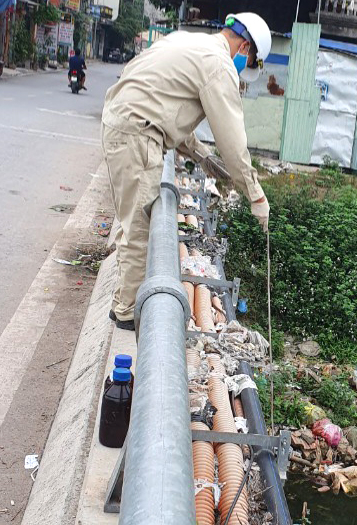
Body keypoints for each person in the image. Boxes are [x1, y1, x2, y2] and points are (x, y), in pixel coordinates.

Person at [101, 12, 271, 331]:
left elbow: (167, 106)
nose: (241, 69)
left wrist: (203, 157)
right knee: (140, 228)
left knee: (131, 221)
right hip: (138, 135)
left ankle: (121, 300)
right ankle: (127, 313)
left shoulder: (189, 42)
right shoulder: (219, 65)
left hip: (120, 124)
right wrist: (256, 195)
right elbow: (233, 143)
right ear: (245, 47)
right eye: (247, 62)